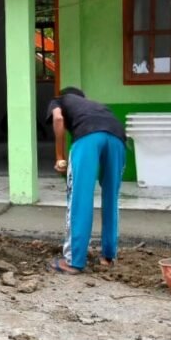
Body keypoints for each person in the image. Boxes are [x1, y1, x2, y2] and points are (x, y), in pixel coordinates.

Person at [47, 86, 127, 274]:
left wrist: (59, 156)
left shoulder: (59, 100)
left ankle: (74, 261)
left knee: (80, 197)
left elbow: (58, 119)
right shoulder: (95, 106)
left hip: (88, 136)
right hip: (117, 137)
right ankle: (108, 256)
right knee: (111, 197)